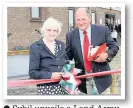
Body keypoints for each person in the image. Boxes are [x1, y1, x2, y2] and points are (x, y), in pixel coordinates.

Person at [66, 8, 119, 95]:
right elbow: (67, 56)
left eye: (83, 19)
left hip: (102, 80)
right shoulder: (70, 35)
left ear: (89, 18)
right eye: (78, 20)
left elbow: (114, 46)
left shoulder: (102, 30)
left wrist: (106, 55)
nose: (81, 22)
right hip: (82, 81)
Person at [29, 17, 67, 95]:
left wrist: (70, 71)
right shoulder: (36, 47)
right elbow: (33, 73)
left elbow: (65, 63)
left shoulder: (61, 45)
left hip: (63, 87)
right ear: (43, 30)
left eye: (54, 30)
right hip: (46, 89)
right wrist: (51, 75)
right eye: (49, 30)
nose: (52, 33)